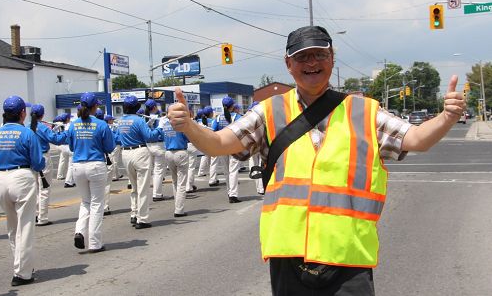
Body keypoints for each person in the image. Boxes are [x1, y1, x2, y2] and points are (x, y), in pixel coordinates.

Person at [167, 25, 466, 295]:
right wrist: (189, 126)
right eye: (302, 57)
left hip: (348, 256)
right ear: (288, 65)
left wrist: (446, 117)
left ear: (332, 59)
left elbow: (416, 139)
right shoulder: (269, 111)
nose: (311, 63)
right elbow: (220, 143)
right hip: (290, 256)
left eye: (319, 55)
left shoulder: (364, 111)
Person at [0, 96, 45, 286]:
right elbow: (38, 162)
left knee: (13, 227)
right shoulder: (27, 133)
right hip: (21, 177)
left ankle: (20, 264)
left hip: (0, 178)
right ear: (22, 113)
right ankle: (22, 273)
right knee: (25, 226)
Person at [66, 92, 115, 253]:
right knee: (96, 204)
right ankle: (94, 242)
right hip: (95, 165)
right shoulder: (101, 125)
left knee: (85, 202)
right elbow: (109, 147)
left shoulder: (74, 124)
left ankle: (79, 231)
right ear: (95, 106)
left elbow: (72, 147)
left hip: (78, 166)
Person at [116, 95, 163, 229]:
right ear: (137, 107)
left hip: (126, 153)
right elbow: (150, 136)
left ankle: (134, 213)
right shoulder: (138, 120)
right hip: (140, 152)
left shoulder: (121, 121)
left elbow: (119, 138)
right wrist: (159, 128)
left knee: (134, 187)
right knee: (142, 188)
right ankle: (142, 219)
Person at [29, 104, 69, 226]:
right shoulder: (42, 127)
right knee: (44, 189)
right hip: (43, 157)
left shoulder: (27, 127)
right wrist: (65, 132)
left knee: (34, 189)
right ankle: (43, 217)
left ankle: (36, 214)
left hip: (30, 159)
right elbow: (55, 139)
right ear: (42, 115)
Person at [211, 96, 242, 203]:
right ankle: (233, 194)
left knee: (226, 171)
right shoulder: (237, 117)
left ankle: (229, 192)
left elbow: (213, 131)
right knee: (233, 171)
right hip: (233, 146)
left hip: (222, 147)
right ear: (233, 106)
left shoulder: (218, 118)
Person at [162, 110, 189, 217]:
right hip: (180, 152)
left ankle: (177, 206)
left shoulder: (165, 124)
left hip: (168, 153)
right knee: (182, 183)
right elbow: (188, 138)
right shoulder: (181, 124)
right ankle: (179, 210)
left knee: (175, 181)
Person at [143, 99, 167, 202]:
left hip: (148, 145)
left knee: (151, 170)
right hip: (158, 145)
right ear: (154, 107)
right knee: (158, 171)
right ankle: (157, 194)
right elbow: (162, 133)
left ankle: (148, 193)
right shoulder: (158, 118)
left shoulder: (144, 117)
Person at [197, 106, 214, 178]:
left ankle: (202, 171)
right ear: (210, 113)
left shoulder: (198, 121)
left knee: (206, 157)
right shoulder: (212, 121)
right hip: (209, 140)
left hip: (201, 140)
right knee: (209, 157)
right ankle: (203, 171)